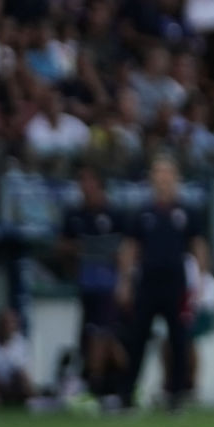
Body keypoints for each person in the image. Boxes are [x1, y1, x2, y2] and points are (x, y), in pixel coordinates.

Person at [118, 156, 207, 410]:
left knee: (179, 339)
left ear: (176, 178)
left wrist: (200, 279)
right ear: (152, 178)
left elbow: (198, 246)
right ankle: (128, 392)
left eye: (167, 173)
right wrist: (124, 281)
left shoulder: (187, 212)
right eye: (158, 172)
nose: (163, 178)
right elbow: (130, 248)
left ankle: (176, 393)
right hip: (147, 282)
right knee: (137, 338)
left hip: (176, 283)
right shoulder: (143, 212)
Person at [60, 168, 128, 403]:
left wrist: (124, 281)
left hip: (108, 286)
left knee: (102, 334)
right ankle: (119, 383)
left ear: (99, 185)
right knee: (93, 336)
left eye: (88, 182)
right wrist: (80, 250)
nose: (84, 188)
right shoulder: (75, 215)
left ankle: (97, 386)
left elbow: (126, 250)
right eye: (81, 182)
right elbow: (62, 245)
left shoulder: (115, 214)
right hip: (86, 285)